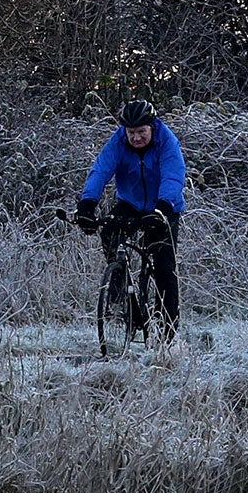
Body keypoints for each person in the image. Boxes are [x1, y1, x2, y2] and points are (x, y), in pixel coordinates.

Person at [74, 99, 185, 338]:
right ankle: (120, 290)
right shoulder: (118, 142)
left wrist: (163, 207)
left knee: (164, 267)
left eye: (141, 132)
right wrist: (87, 204)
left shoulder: (167, 141)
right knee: (109, 232)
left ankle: (167, 332)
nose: (136, 138)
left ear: (152, 127)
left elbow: (173, 176)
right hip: (131, 203)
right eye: (131, 132)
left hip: (164, 204)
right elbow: (101, 170)